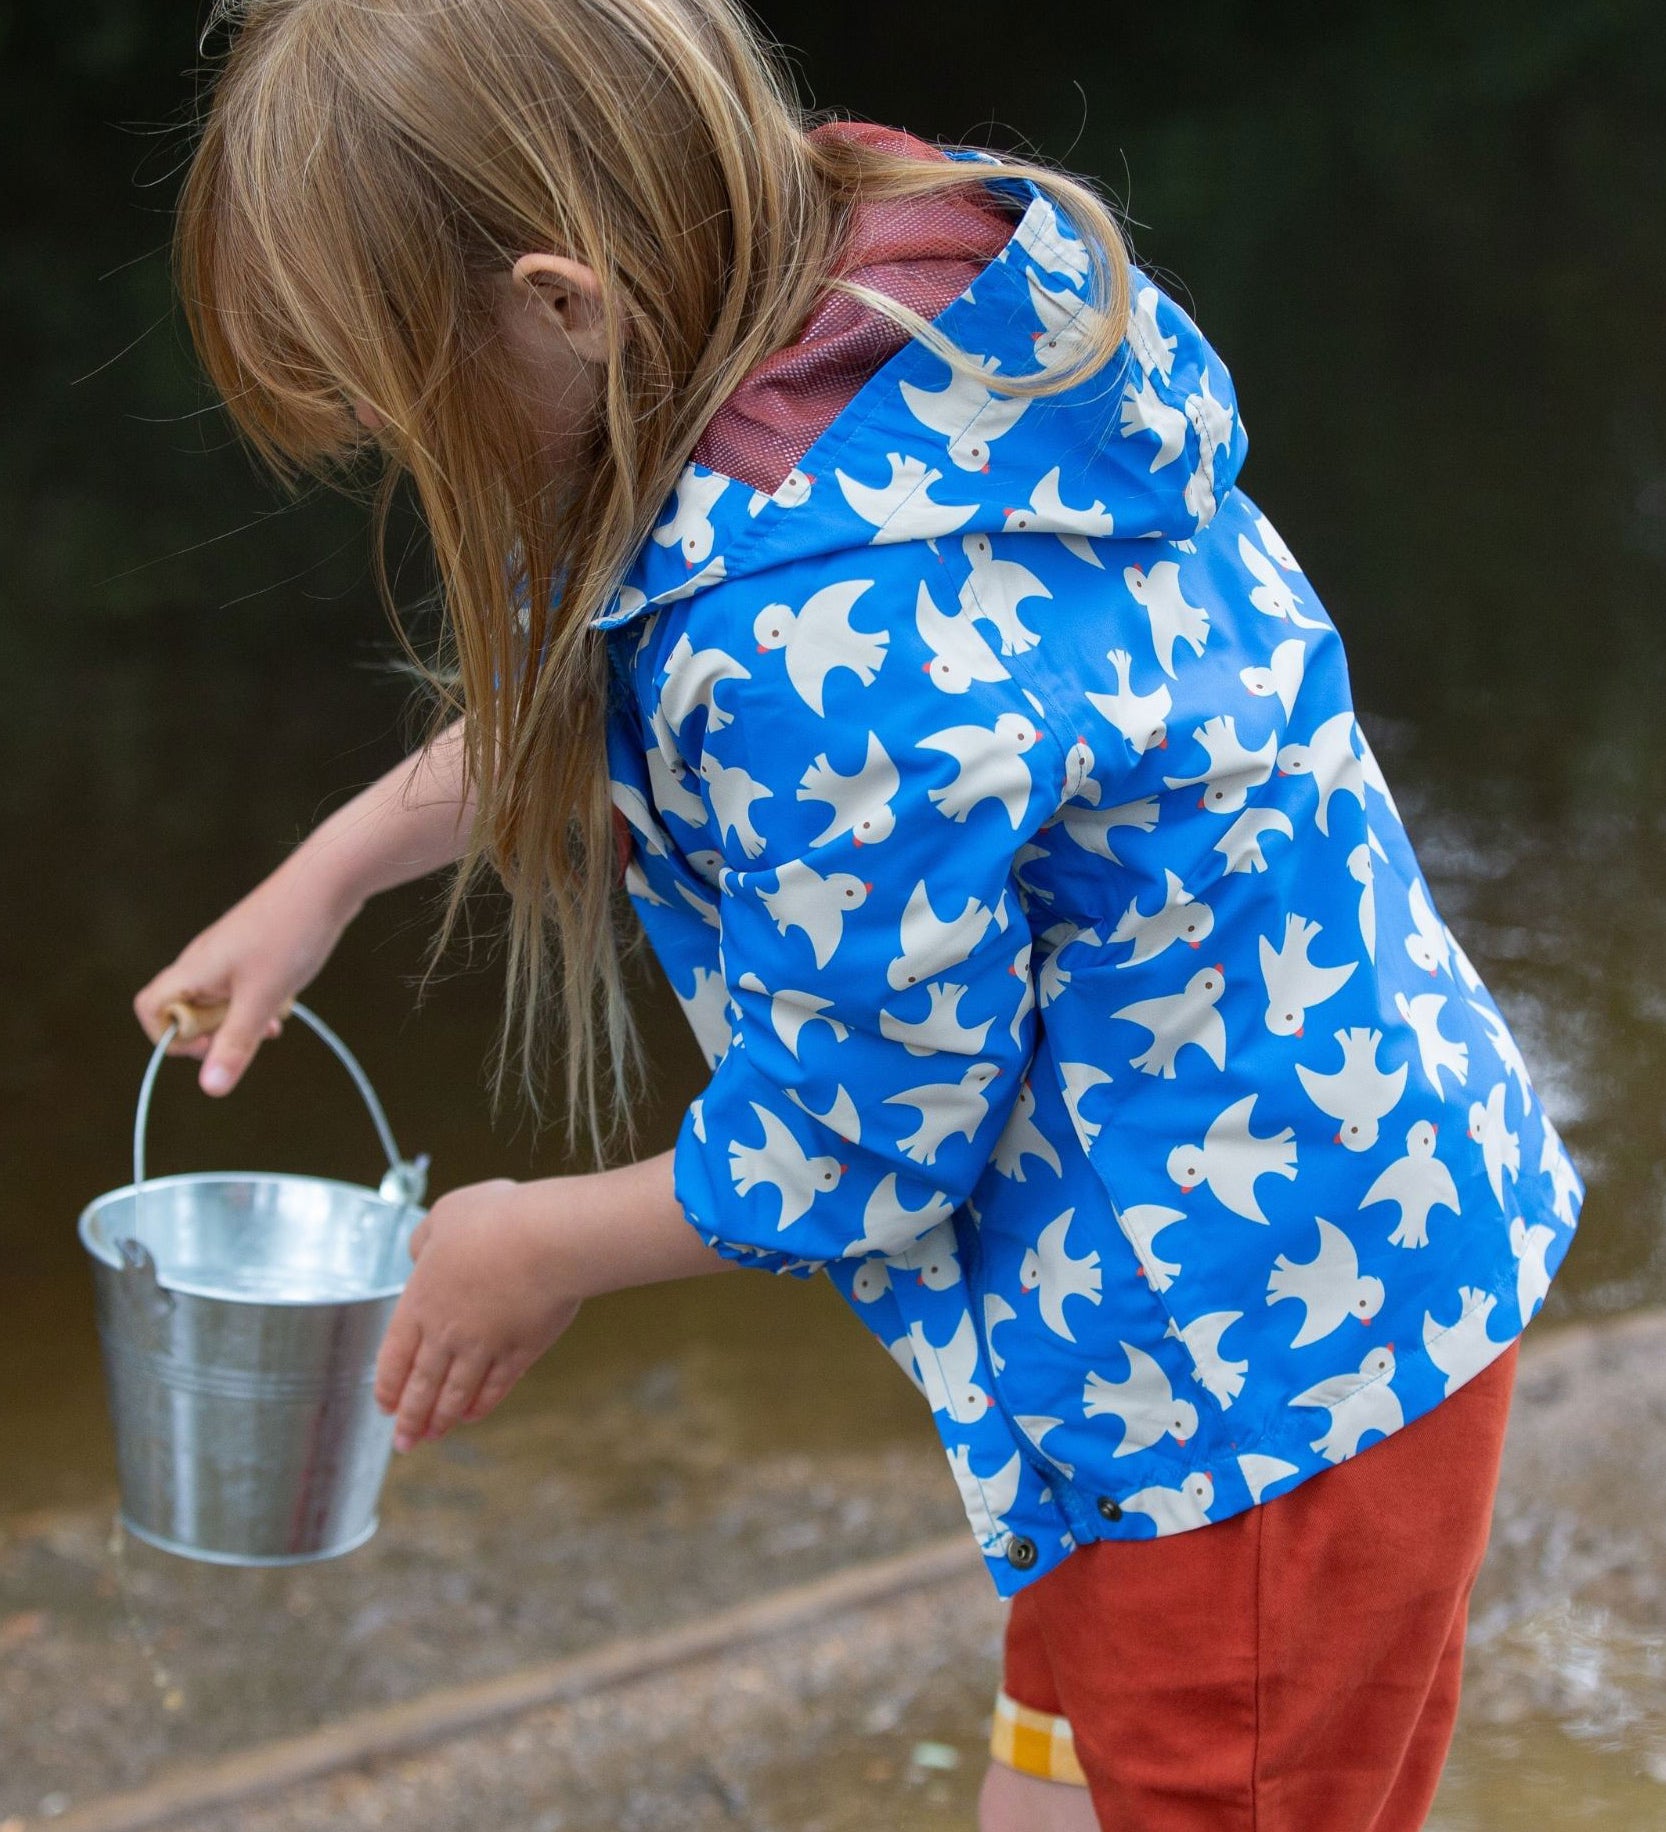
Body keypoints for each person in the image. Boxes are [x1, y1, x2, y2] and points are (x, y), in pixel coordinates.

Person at [134, 2, 1583, 1825]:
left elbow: (860, 1143)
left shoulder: (825, 637)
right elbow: (611, 678)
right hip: (1252, 1280)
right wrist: (329, 869)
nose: (390, 448)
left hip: (1249, 1387)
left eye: (400, 400)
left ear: (562, 300)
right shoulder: (880, 338)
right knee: (1053, 1779)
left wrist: (533, 1244)